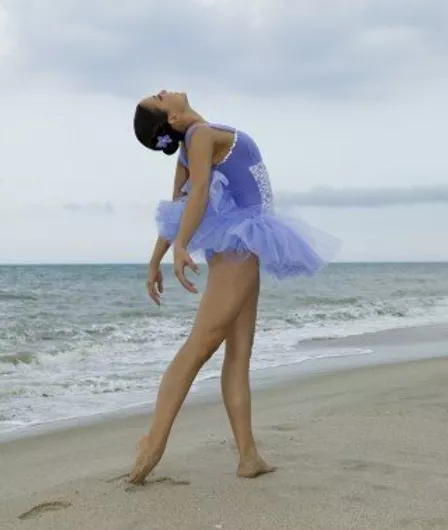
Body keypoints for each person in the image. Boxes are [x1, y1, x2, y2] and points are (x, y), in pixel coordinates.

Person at [127, 90, 339, 485]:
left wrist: (156, 258)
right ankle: (151, 446)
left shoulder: (193, 145)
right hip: (237, 251)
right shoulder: (201, 135)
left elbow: (177, 209)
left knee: (238, 355)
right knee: (197, 348)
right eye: (159, 97)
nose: (164, 90)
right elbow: (199, 194)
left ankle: (248, 457)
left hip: (243, 249)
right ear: (172, 117)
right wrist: (179, 250)